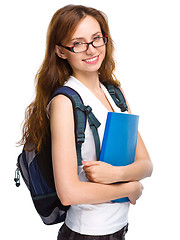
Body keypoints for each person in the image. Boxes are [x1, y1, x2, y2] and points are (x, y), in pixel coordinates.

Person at [20, 4, 153, 240]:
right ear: (61, 51)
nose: (91, 50)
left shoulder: (115, 92)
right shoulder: (65, 102)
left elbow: (146, 165)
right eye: (78, 43)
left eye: (96, 39)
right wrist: (130, 187)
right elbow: (69, 193)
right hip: (87, 234)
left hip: (119, 229)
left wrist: (113, 174)